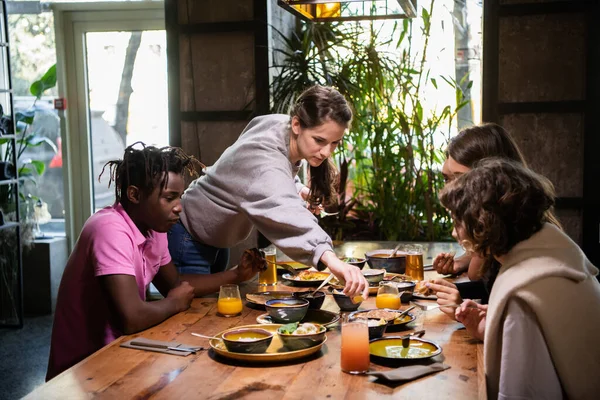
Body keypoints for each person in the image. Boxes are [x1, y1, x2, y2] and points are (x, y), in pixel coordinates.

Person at [46, 143, 264, 381]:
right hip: (80, 372)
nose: (179, 207)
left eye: (179, 197)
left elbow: (177, 284)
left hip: (122, 352)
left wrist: (236, 275)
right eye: (169, 198)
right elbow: (132, 318)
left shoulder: (154, 229)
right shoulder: (109, 229)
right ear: (134, 194)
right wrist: (172, 304)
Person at [168, 85, 368, 297]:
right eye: (319, 140)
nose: (326, 152)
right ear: (297, 125)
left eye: (335, 143)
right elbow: (273, 186)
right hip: (188, 239)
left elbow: (264, 175)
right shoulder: (264, 159)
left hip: (216, 240)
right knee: (192, 319)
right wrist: (333, 261)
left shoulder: (278, 124)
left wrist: (296, 189)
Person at [439, 158, 600, 399]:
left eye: (457, 222)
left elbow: (522, 392)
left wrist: (507, 318)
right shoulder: (556, 250)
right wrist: (493, 324)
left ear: (483, 225)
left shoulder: (521, 295)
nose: (454, 232)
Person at [429, 123, 561, 316]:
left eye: (459, 178)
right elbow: (484, 283)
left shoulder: (527, 238)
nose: (451, 188)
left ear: (489, 176)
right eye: (447, 179)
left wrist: (466, 311)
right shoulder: (499, 228)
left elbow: (527, 324)